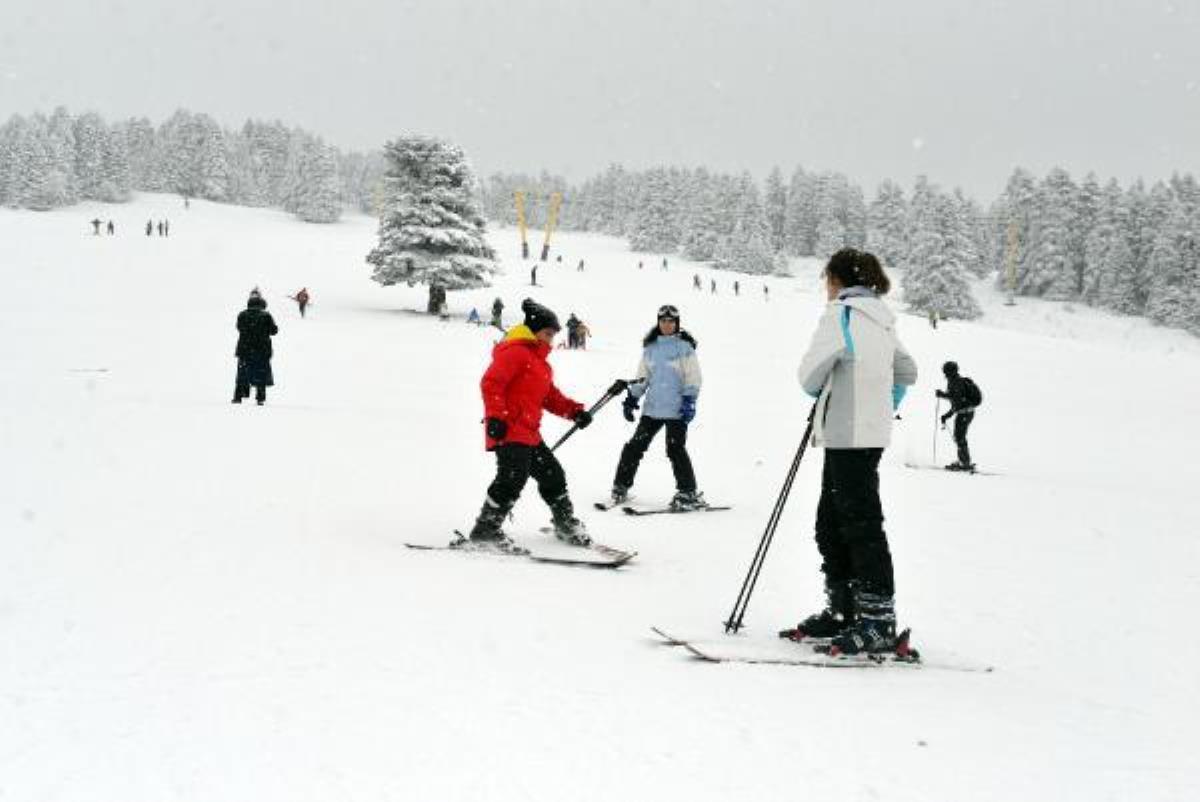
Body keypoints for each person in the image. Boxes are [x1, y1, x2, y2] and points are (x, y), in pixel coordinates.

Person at [785, 248, 918, 656]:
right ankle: (847, 610)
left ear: (837, 280)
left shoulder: (841, 314)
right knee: (839, 519)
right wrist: (880, 406)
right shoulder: (882, 319)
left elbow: (809, 377)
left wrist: (847, 398)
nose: (826, 288)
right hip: (868, 435)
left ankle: (876, 619)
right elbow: (907, 371)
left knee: (854, 523)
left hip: (846, 433)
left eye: (827, 280)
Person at [461, 299, 595, 552]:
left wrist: (575, 412)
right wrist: (497, 417)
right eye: (547, 334)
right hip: (508, 429)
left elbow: (549, 397)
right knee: (512, 478)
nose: (551, 340)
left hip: (529, 433)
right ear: (534, 331)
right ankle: (485, 530)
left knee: (553, 475)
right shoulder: (515, 352)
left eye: (553, 335)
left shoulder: (540, 363)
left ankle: (564, 522)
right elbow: (491, 383)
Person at [609, 304, 705, 510]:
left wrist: (689, 401)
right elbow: (643, 378)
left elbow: (693, 377)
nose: (667, 325)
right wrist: (632, 399)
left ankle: (688, 492)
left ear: (676, 324)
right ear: (658, 322)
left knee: (675, 449)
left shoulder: (684, 348)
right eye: (663, 321)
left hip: (676, 410)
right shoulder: (651, 348)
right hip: (652, 409)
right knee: (634, 447)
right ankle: (620, 486)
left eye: (671, 321)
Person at [233, 291, 279, 406]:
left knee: (243, 373)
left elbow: (239, 327)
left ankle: (238, 397)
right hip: (262, 350)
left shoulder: (242, 315)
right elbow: (274, 331)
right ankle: (260, 398)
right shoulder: (266, 315)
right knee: (261, 373)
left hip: (244, 349)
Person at [936, 361, 980, 471]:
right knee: (959, 437)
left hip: (964, 413)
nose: (944, 374)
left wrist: (947, 414)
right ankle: (964, 461)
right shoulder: (956, 381)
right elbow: (956, 401)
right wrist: (947, 414)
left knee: (960, 437)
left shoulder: (955, 382)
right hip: (967, 412)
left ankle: (964, 463)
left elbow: (957, 402)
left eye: (945, 371)